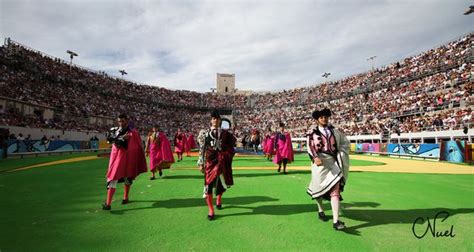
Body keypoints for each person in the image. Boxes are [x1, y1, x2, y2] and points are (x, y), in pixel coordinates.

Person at [306, 108, 350, 231]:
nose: (324, 119)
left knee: (335, 191)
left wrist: (341, 154)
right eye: (321, 117)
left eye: (325, 117)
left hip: (332, 163)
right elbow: (310, 147)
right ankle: (320, 209)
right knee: (318, 189)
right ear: (317, 120)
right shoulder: (312, 133)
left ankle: (336, 221)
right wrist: (315, 158)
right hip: (319, 164)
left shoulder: (335, 131)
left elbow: (344, 143)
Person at [103, 114, 148, 210]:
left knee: (125, 177)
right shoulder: (114, 130)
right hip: (116, 156)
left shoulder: (132, 132)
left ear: (126, 121)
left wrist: (118, 139)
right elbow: (109, 141)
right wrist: (121, 138)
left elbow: (128, 145)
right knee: (113, 177)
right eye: (119, 121)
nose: (121, 123)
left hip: (126, 157)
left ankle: (124, 198)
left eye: (122, 121)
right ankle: (108, 203)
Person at [197, 109, 236, 220]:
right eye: (214, 118)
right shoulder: (204, 133)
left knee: (221, 183)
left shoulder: (226, 134)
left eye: (217, 119)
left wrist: (226, 155)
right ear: (211, 120)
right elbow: (202, 149)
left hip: (222, 161)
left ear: (219, 120)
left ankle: (218, 198)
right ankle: (211, 209)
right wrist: (201, 162)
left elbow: (231, 147)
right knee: (208, 185)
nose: (215, 120)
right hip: (210, 162)